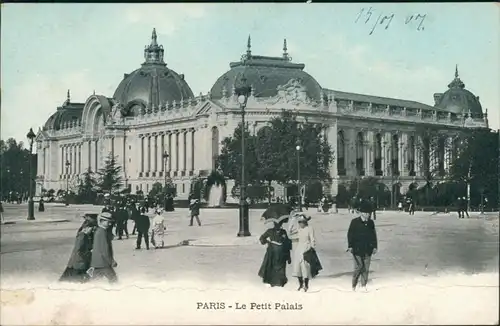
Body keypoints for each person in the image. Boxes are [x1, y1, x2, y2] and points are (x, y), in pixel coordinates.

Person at [347, 199, 378, 292]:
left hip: (368, 248)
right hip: (357, 249)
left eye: (370, 213)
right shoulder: (354, 222)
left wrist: (375, 246)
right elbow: (350, 234)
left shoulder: (371, 223)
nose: (369, 215)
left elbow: (373, 235)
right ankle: (354, 284)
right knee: (359, 267)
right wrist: (350, 246)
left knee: (366, 268)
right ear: (362, 213)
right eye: (367, 213)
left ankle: (363, 285)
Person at [59, 214, 97, 283]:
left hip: (78, 263)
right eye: (91, 228)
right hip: (79, 264)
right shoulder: (82, 236)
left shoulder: (86, 235)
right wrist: (90, 253)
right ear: (86, 228)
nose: (92, 230)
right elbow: (79, 251)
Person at [258, 218, 292, 287]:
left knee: (281, 267)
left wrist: (288, 256)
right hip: (272, 252)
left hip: (282, 253)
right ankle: (271, 281)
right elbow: (262, 238)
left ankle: (280, 282)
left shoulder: (283, 232)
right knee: (271, 266)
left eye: (279, 224)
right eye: (276, 224)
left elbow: (287, 243)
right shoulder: (270, 231)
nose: (278, 226)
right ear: (274, 224)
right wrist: (267, 242)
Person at [292, 214, 321, 292]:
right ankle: (300, 284)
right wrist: (293, 219)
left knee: (305, 268)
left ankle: (306, 285)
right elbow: (290, 231)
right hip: (299, 249)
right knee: (297, 268)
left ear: (305, 222)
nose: (300, 223)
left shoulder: (309, 228)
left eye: (302, 222)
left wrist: (312, 247)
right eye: (299, 222)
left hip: (306, 248)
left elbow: (312, 238)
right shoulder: (298, 229)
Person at [88, 212, 118, 283]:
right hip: (103, 263)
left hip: (97, 262)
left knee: (95, 280)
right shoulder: (102, 232)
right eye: (108, 222)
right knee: (114, 280)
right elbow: (104, 250)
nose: (110, 224)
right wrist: (111, 261)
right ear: (102, 221)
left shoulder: (99, 230)